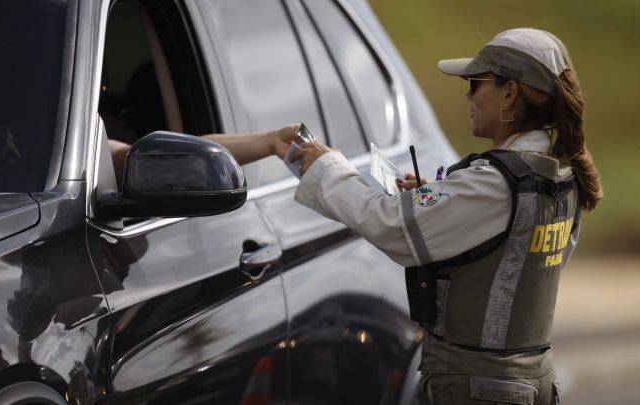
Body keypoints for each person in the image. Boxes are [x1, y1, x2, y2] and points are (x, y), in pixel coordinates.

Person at [290, 28, 602, 404]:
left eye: (475, 82)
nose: (468, 94)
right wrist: (439, 200)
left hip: (478, 388)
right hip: (530, 382)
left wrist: (326, 167)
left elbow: (390, 223)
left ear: (510, 92)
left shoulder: (495, 184)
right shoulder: (559, 173)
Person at [108, 126, 298, 189]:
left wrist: (271, 142)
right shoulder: (82, 135)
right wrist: (270, 141)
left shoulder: (87, 139)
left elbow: (125, 164)